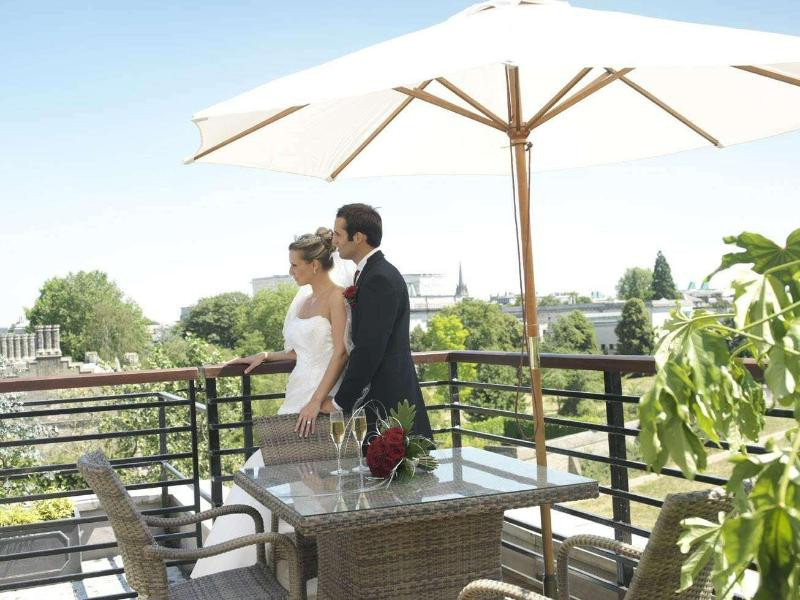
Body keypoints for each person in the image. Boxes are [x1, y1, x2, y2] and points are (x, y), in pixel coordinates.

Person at [191, 227, 351, 586]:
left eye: (295, 265)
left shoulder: (337, 298)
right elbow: (300, 352)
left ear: (314, 265)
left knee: (296, 473)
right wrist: (266, 355)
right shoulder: (303, 300)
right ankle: (261, 570)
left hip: (319, 396)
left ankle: (304, 572)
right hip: (296, 393)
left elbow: (340, 353)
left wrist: (317, 400)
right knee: (283, 474)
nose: (290, 271)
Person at [319, 203, 433, 439]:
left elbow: (369, 347)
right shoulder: (371, 273)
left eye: (338, 234)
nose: (334, 241)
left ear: (358, 237)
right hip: (381, 393)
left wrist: (340, 402)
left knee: (392, 461)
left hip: (388, 398)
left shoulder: (378, 278)